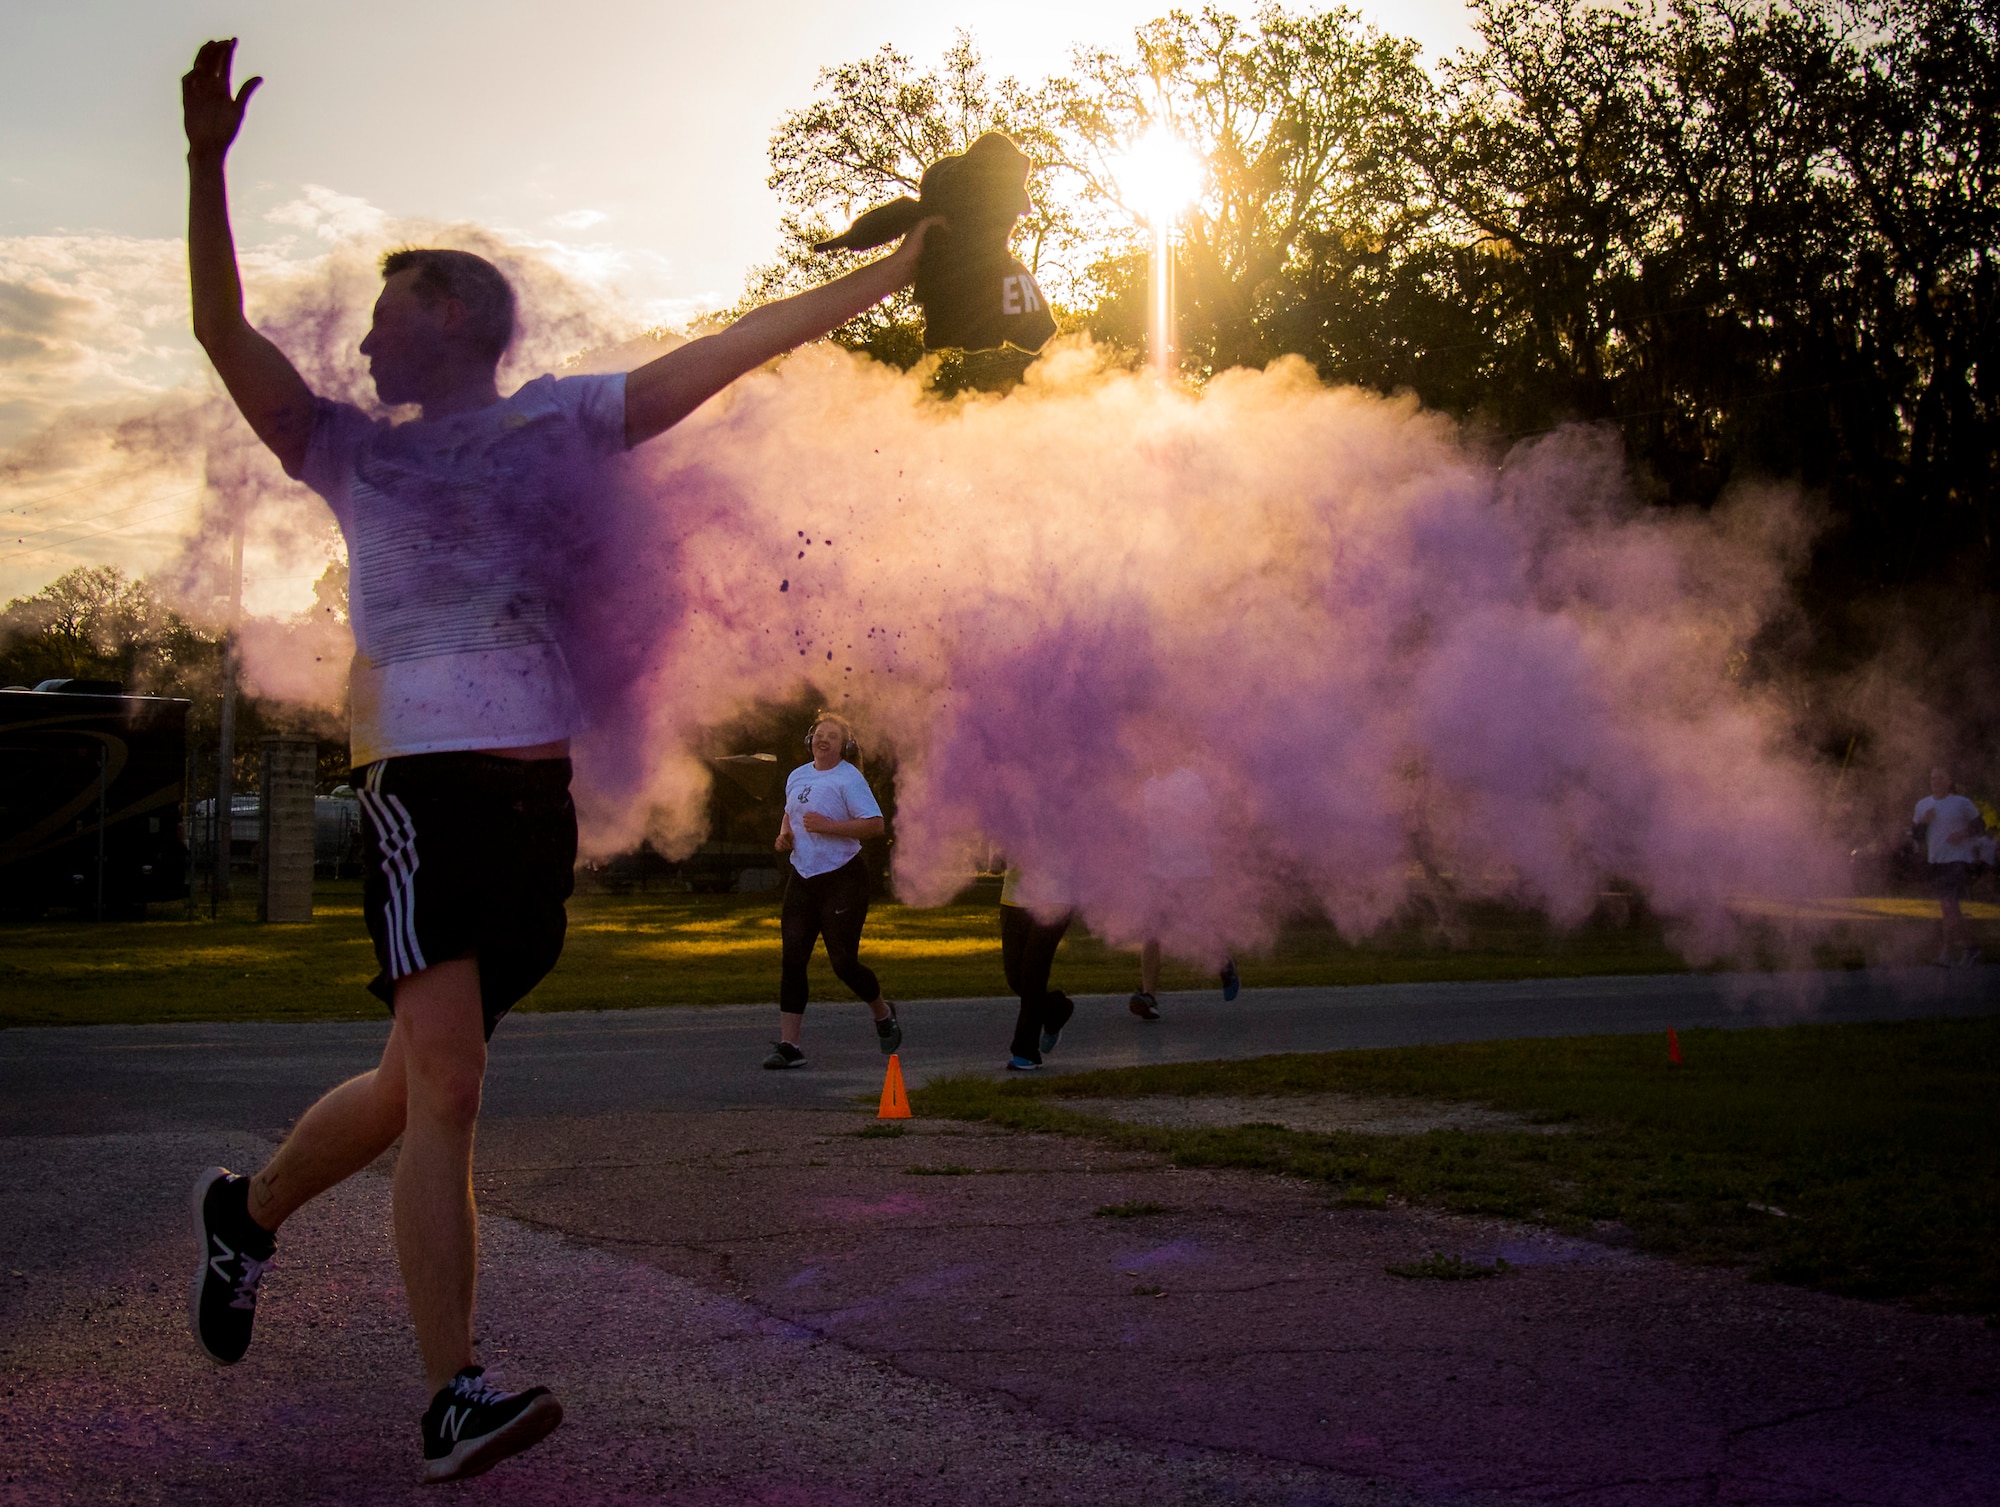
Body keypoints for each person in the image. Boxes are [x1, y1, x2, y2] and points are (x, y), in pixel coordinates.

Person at [179, 39, 937, 1482]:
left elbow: (733, 346)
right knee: (453, 1088)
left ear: (455, 315)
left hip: (534, 806)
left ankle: (247, 1213)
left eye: (392, 311)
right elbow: (225, 339)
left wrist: (889, 278)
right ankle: (452, 1390)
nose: (364, 342)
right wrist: (204, 168)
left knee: (412, 1085)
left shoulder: (564, 419)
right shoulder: (350, 452)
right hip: (421, 786)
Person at [765, 712, 902, 1068]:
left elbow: (874, 825)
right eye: (819, 734)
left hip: (843, 878)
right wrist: (787, 833)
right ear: (809, 739)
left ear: (845, 746)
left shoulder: (849, 778)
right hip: (803, 877)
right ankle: (789, 1046)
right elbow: (790, 813)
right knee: (793, 960)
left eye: (832, 736)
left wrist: (829, 826)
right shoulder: (798, 775)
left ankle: (883, 1012)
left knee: (843, 963)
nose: (823, 740)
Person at [1129, 764, 1239, 1020]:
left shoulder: (1190, 782)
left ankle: (1224, 963)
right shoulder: (1147, 786)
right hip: (1158, 871)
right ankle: (1149, 997)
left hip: (1192, 870)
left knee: (1197, 928)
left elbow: (1206, 822)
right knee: (1152, 930)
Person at [998, 862, 1076, 1071]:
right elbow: (996, 861)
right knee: (1016, 979)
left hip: (1057, 898)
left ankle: (1025, 1052)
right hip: (1013, 899)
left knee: (1033, 975)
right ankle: (1056, 1009)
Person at [1914, 766, 1986, 967]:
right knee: (1949, 909)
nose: (1935, 781)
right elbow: (1917, 836)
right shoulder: (1923, 805)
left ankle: (1947, 951)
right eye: (1932, 778)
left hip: (1957, 859)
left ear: (1949, 781)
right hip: (1936, 860)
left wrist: (1963, 835)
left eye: (1939, 778)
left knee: (1949, 905)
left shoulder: (1961, 803)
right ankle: (1971, 947)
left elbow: (1980, 826)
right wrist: (1924, 823)